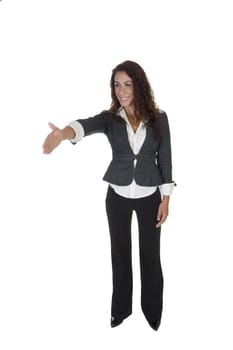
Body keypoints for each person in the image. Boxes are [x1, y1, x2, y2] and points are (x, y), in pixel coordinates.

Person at [42, 60, 175, 331]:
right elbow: (84, 126)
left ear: (139, 85)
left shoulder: (159, 118)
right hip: (117, 195)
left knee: (151, 256)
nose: (122, 90)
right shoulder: (111, 118)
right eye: (117, 85)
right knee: (120, 254)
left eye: (127, 84)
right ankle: (121, 310)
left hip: (151, 195)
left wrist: (166, 198)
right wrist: (63, 135)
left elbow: (166, 158)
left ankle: (152, 311)